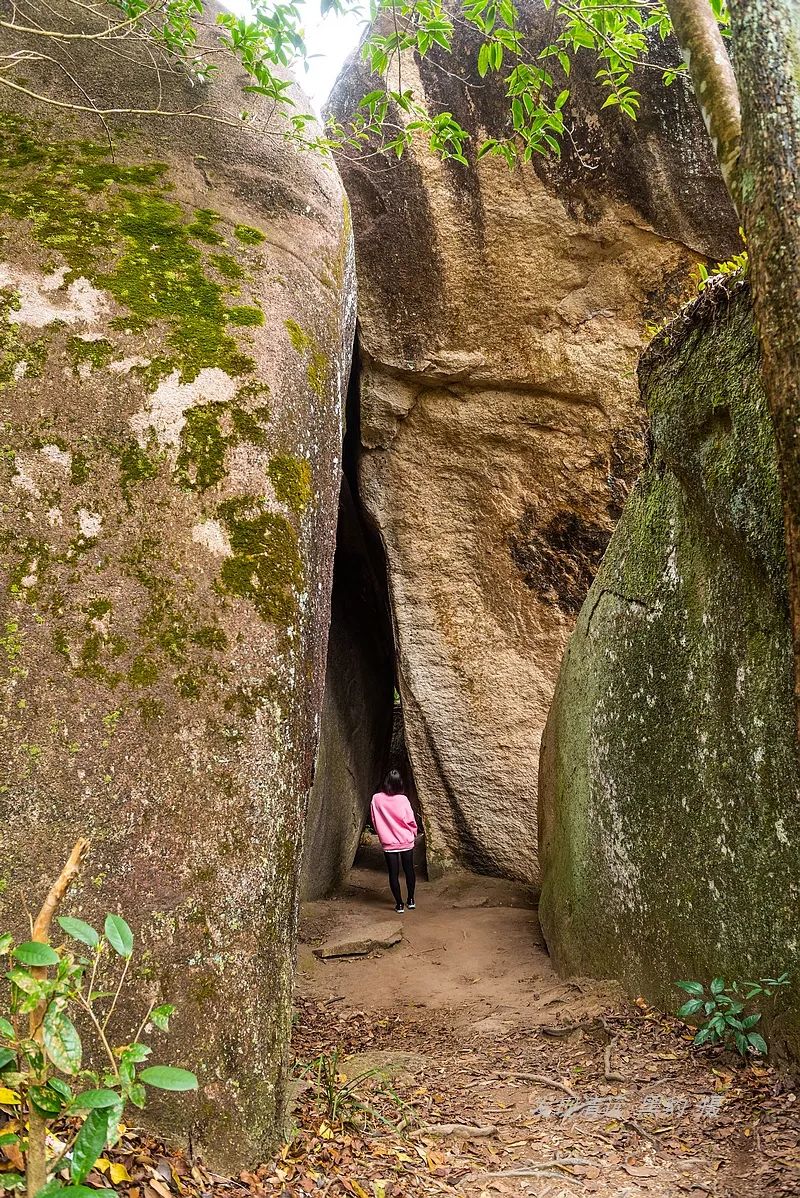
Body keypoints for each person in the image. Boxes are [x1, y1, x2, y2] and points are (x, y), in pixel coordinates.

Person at [370, 769, 417, 913]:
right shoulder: (403, 799)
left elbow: (374, 819)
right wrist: (413, 833)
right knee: (409, 870)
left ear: (385, 782)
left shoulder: (376, 799)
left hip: (389, 842)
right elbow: (410, 820)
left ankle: (399, 904)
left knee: (393, 873)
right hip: (406, 840)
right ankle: (411, 900)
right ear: (399, 783)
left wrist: (382, 833)